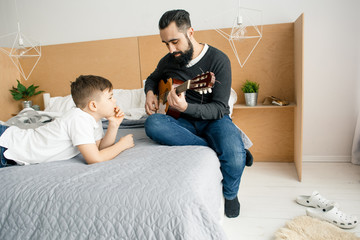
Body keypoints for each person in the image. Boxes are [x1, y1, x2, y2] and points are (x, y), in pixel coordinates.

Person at [144, 9, 253, 218]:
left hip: (214, 120)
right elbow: (152, 78)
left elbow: (220, 108)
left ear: (190, 32)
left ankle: (230, 194)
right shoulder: (168, 61)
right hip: (181, 122)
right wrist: (150, 93)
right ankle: (224, 149)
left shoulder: (218, 60)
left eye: (175, 41)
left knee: (234, 155)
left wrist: (187, 107)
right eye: (166, 43)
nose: (171, 48)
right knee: (153, 124)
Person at [0, 75, 134, 167]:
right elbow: (95, 159)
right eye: (110, 98)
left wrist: (114, 125)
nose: (115, 101)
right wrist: (122, 145)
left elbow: (100, 149)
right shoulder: (78, 119)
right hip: (7, 145)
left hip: (11, 152)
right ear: (93, 105)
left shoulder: (93, 120)